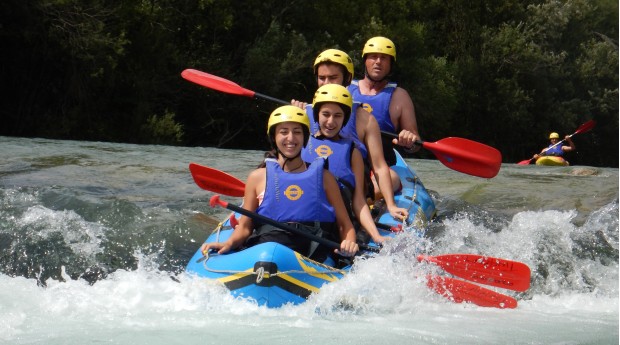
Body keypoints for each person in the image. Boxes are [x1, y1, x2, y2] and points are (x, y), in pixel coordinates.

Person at [201, 105, 359, 263]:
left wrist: (349, 242)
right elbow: (245, 227)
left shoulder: (325, 177)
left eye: (297, 132)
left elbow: (345, 225)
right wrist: (228, 243)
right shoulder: (257, 177)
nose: (291, 138)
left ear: (304, 137)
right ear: (273, 137)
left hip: (312, 250)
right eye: (284, 132)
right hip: (267, 246)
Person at [292, 48, 409, 221]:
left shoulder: (365, 119)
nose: (326, 84)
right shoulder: (302, 113)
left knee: (393, 178)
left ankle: (366, 202)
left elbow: (379, 166)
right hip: (307, 186)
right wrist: (294, 117)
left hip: (349, 188)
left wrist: (391, 205)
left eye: (333, 78)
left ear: (347, 79)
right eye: (321, 78)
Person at [302, 84, 390, 244]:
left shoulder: (352, 152)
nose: (331, 121)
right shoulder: (300, 144)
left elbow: (359, 201)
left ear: (345, 118)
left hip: (335, 222)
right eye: (325, 114)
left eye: (337, 116)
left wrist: (376, 235)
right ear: (316, 115)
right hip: (303, 217)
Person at [348, 36, 421, 169]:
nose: (378, 62)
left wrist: (409, 142)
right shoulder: (346, 91)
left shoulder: (400, 96)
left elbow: (416, 144)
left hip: (382, 164)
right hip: (348, 162)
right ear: (365, 61)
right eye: (373, 56)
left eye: (384, 58)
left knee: (377, 189)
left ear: (391, 64)